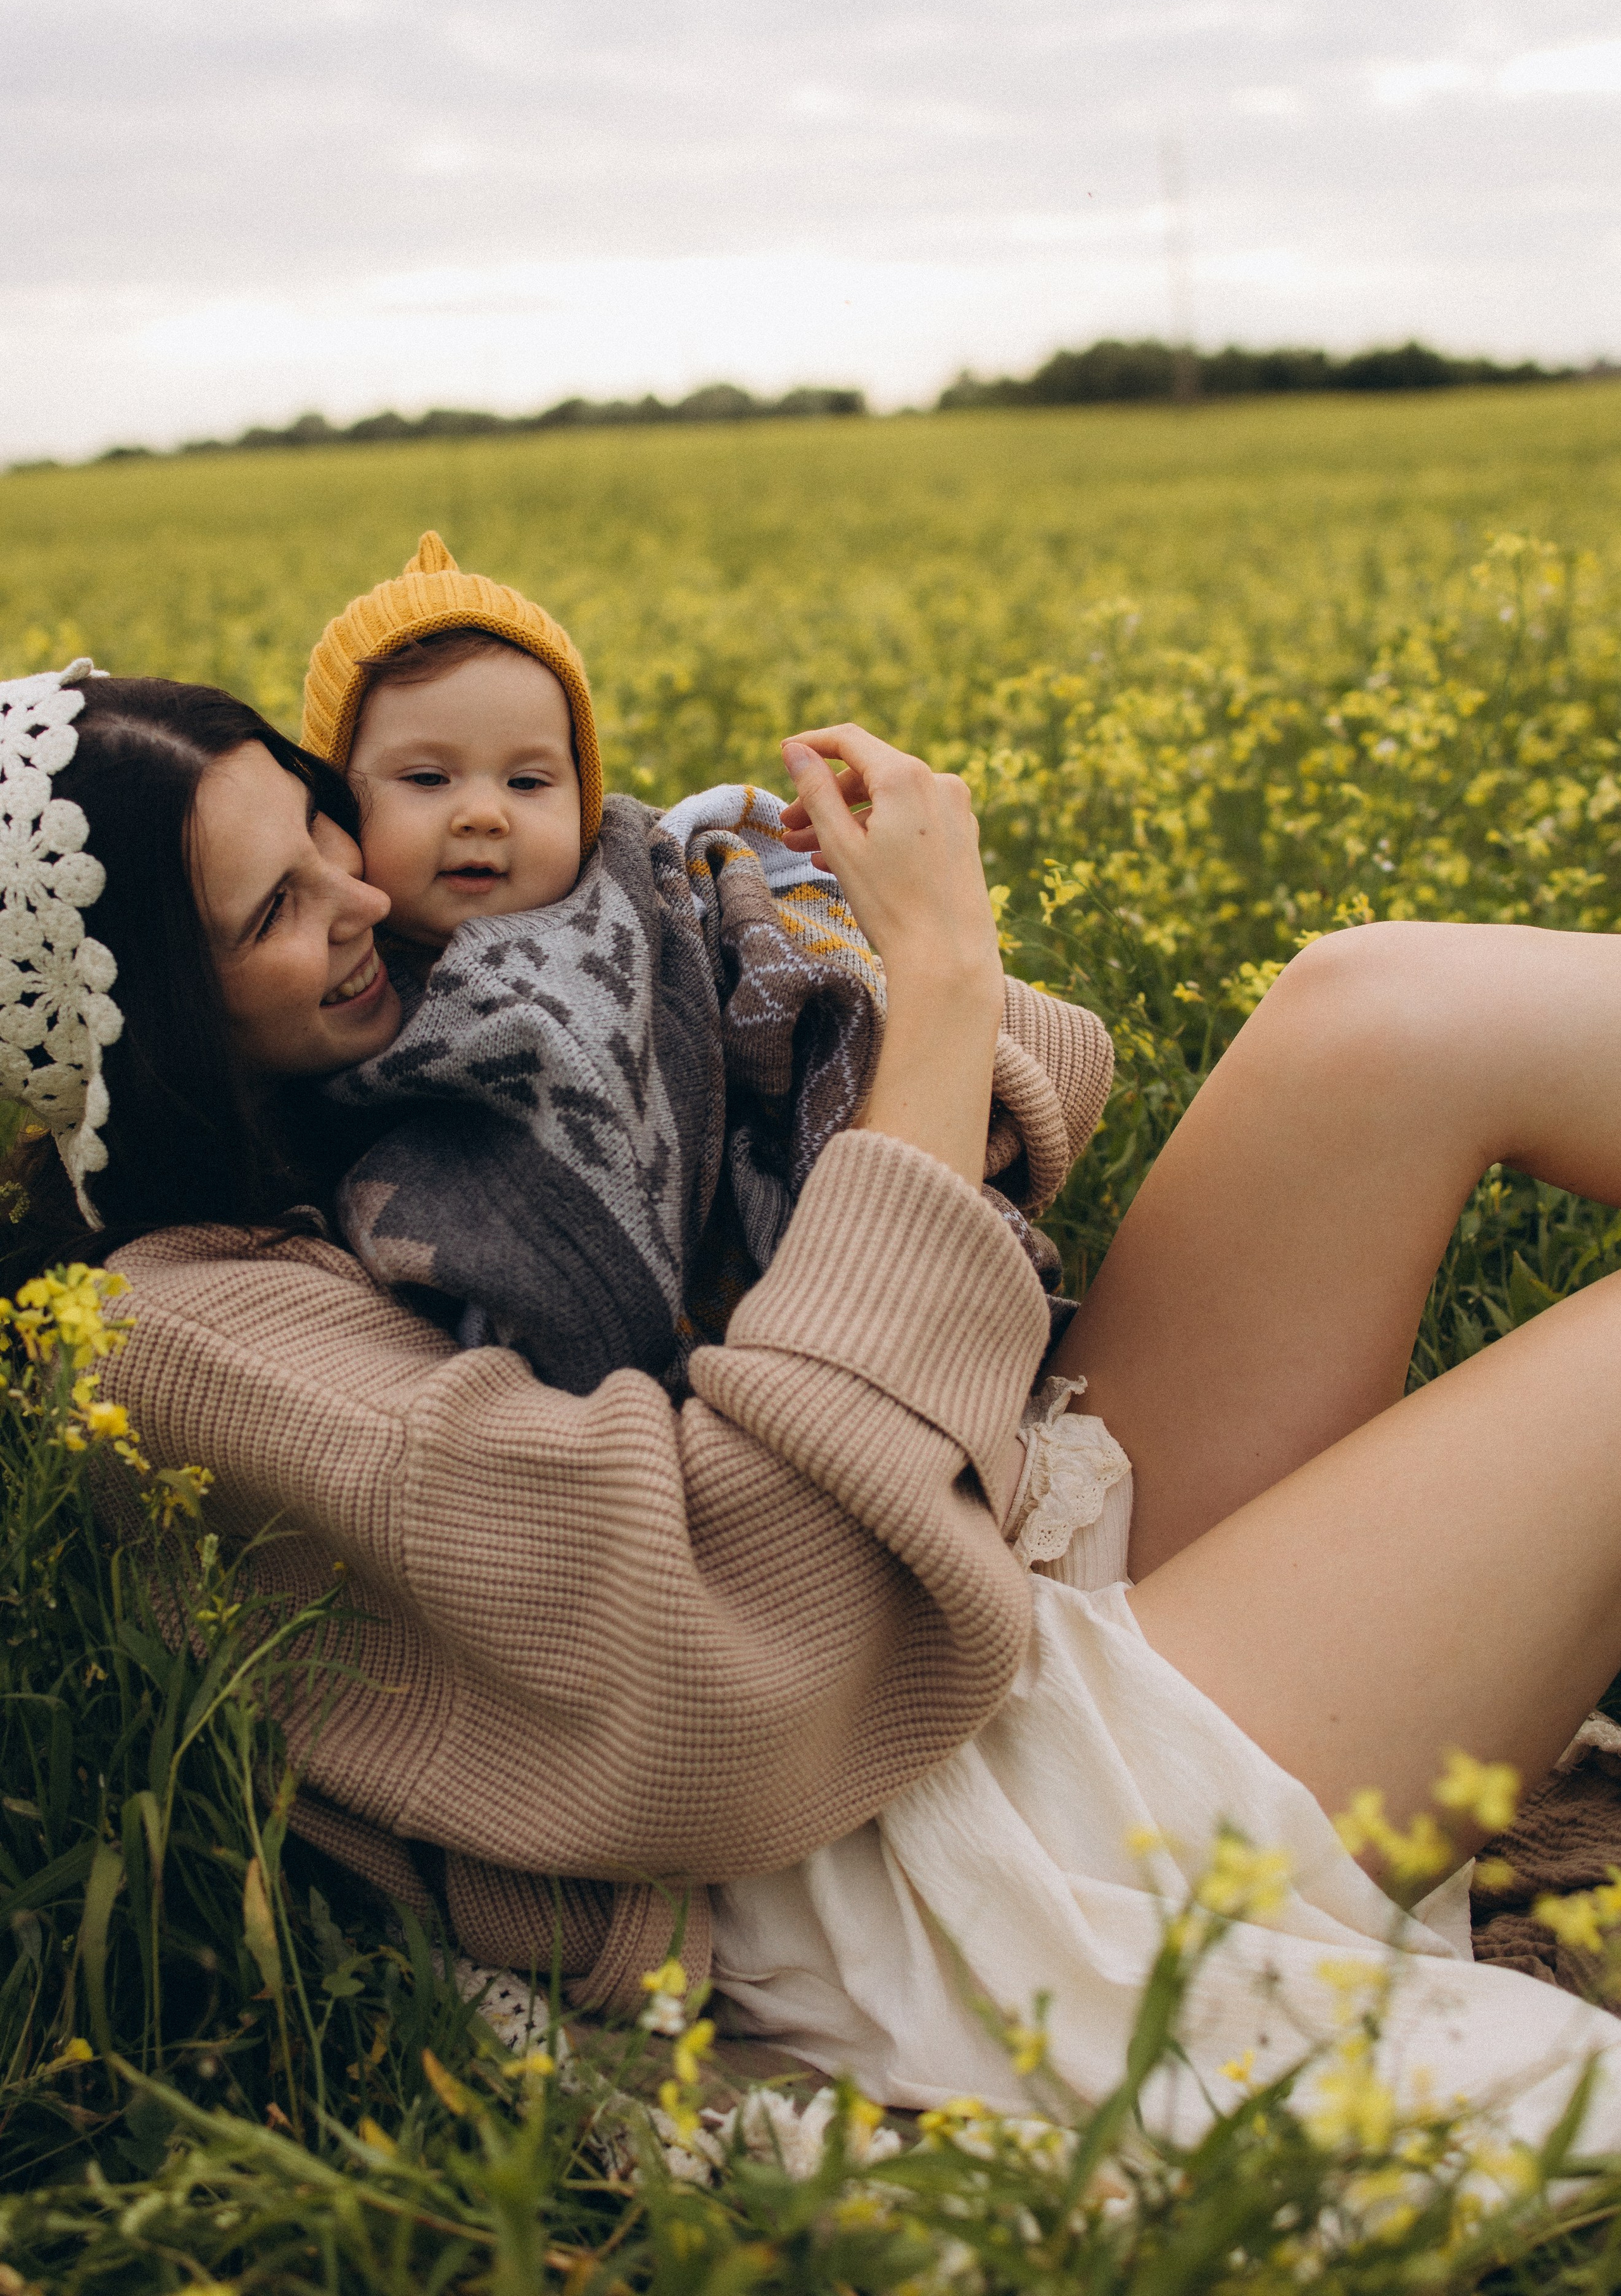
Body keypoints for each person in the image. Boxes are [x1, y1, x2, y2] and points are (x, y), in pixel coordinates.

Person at [7, 656, 1621, 2151]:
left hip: (961, 1576)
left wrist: (787, 962)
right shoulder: (168, 1338)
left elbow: (1005, 1116)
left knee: (1378, 1010)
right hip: (904, 1842)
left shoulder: (405, 1057)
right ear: (126, 1039)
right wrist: (935, 981)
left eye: (324, 828)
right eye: (271, 908)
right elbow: (742, 1657)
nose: (366, 891)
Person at [299, 533, 1092, 1390]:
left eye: (529, 783)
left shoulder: (651, 891)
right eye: (427, 779)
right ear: (336, 809)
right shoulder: (342, 994)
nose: (484, 814)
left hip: (850, 1284)